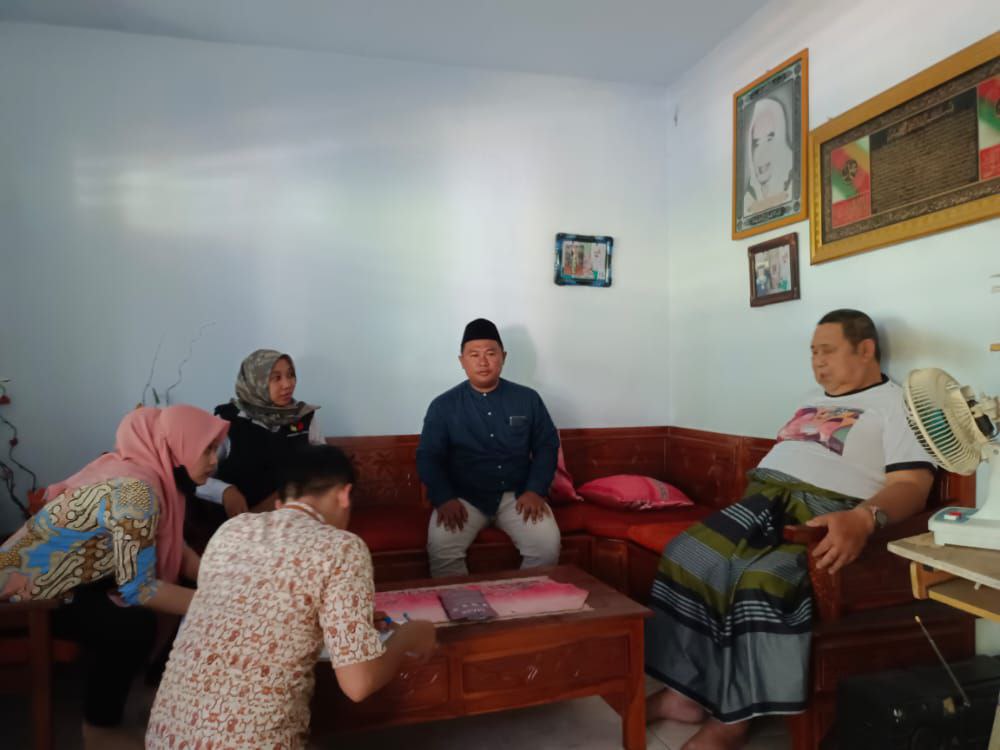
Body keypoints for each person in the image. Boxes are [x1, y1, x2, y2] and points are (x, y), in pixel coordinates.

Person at [645, 309, 936, 750]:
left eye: (828, 350)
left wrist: (864, 517)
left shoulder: (897, 405)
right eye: (813, 352)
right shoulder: (811, 399)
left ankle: (733, 721)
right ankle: (683, 695)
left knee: (760, 582)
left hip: (821, 515)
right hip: (762, 502)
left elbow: (913, 485)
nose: (817, 361)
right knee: (687, 554)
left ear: (866, 350)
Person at [146, 444, 437, 749]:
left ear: (280, 500)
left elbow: (264, 617)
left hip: (165, 737)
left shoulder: (231, 530)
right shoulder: (342, 547)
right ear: (344, 495)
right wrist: (408, 636)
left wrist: (345, 623)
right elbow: (359, 683)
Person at [0, 405, 228, 749]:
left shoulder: (145, 476)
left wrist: (229, 582)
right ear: (175, 447)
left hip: (68, 586)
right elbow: (140, 589)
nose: (213, 461)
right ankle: (100, 730)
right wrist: (223, 605)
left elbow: (176, 552)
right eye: (206, 449)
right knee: (131, 623)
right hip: (21, 603)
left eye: (215, 450)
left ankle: (155, 699)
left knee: (173, 597)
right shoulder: (135, 489)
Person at [416, 318, 561, 578]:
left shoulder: (528, 399)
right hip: (463, 498)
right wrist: (444, 498)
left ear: (503, 357)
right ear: (462, 361)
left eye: (490, 353)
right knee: (442, 550)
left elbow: (547, 446)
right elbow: (429, 457)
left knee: (546, 545)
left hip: (517, 496)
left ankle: (523, 600)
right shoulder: (443, 406)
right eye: (474, 355)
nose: (483, 362)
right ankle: (466, 605)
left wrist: (535, 490)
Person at [185, 349, 325, 549]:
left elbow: (324, 468)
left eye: (291, 374)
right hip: (239, 534)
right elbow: (193, 477)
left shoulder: (304, 417)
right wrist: (225, 491)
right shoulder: (228, 422)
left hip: (293, 528)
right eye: (276, 378)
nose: (288, 384)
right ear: (254, 380)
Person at [743, 97, 795, 218]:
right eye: (756, 143)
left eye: (769, 139)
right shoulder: (748, 200)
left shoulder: (794, 185)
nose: (761, 153)